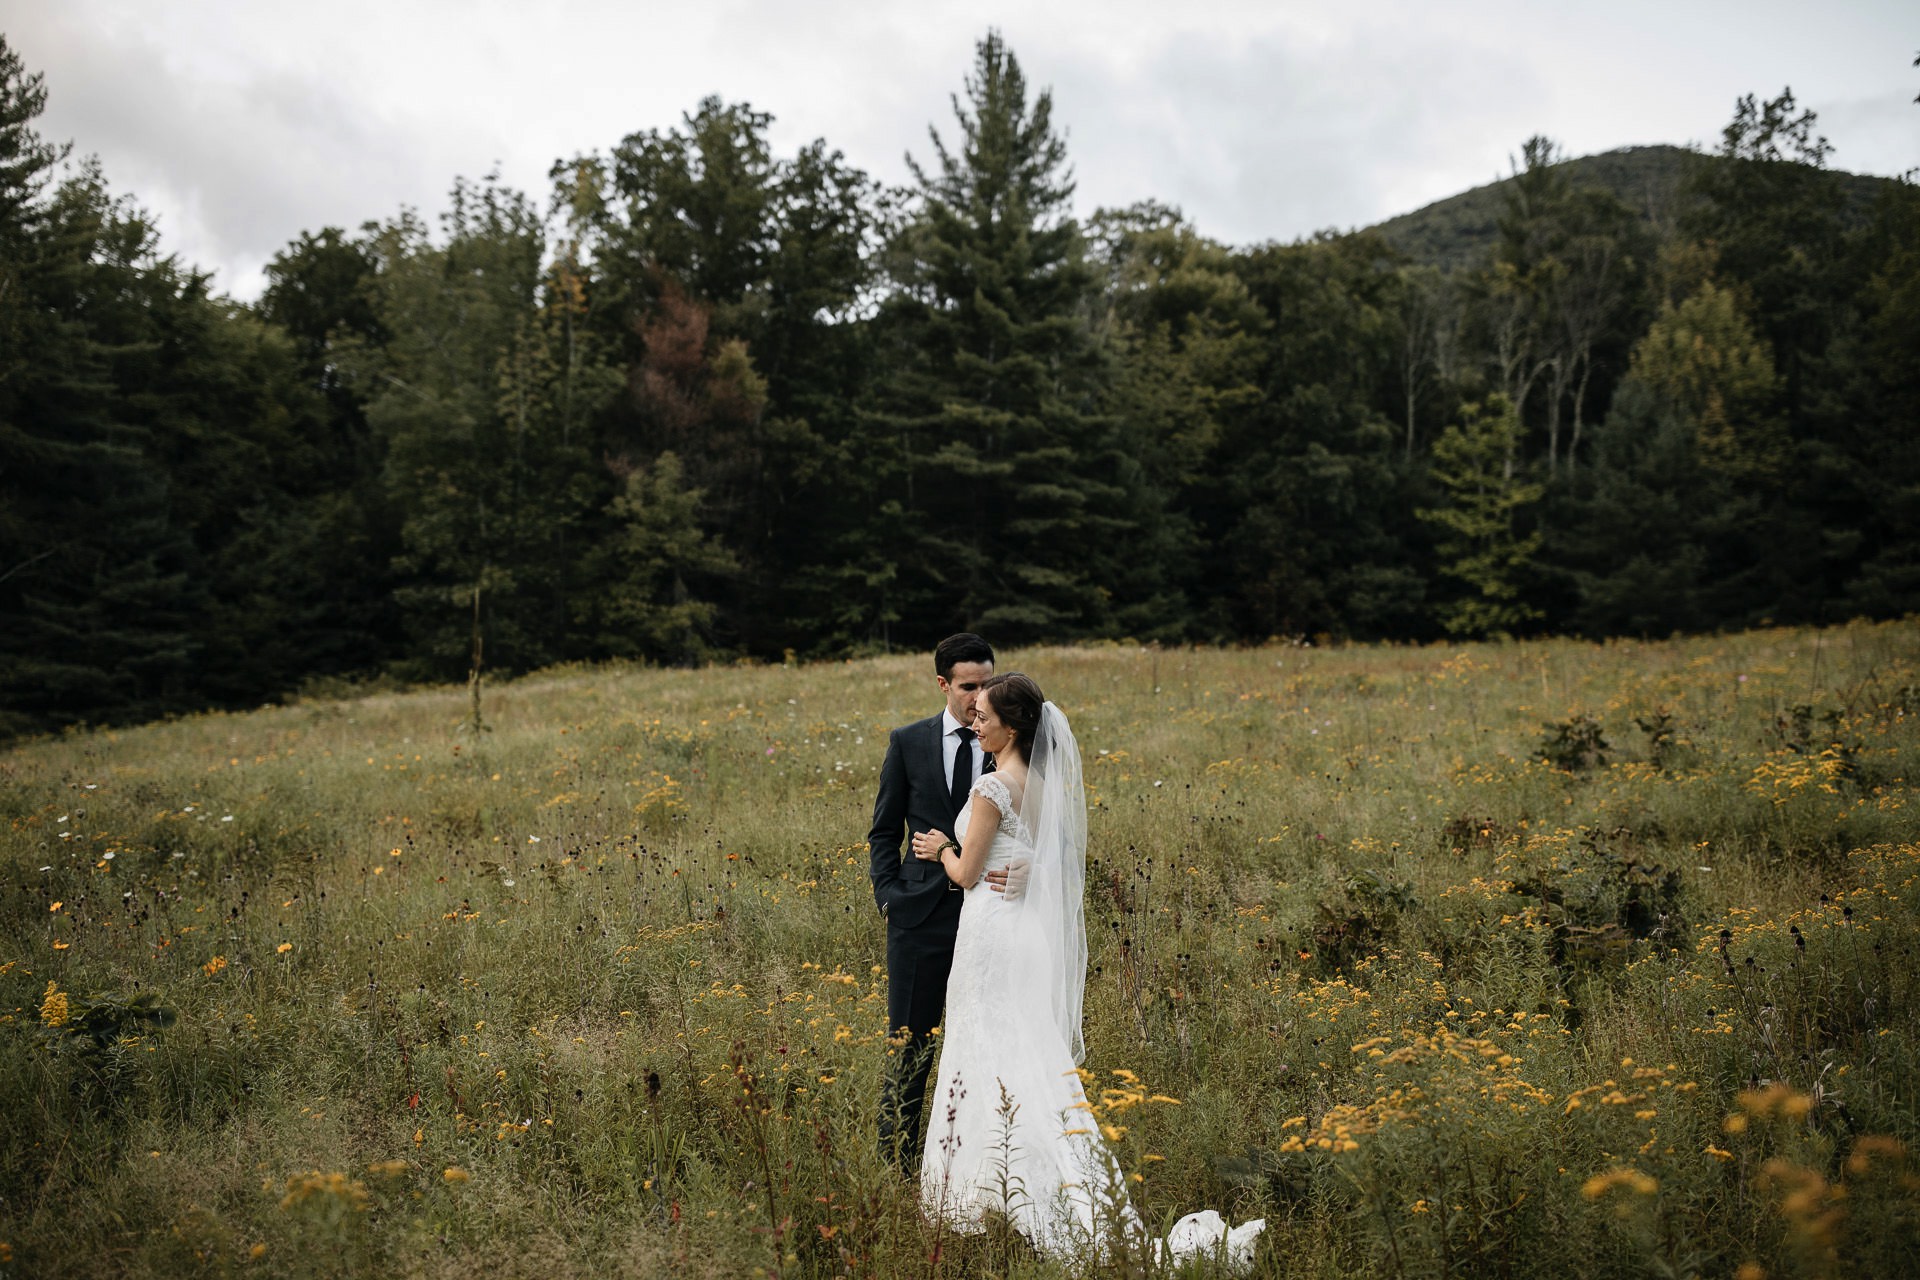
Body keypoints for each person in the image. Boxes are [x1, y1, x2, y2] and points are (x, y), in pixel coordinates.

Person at [910, 672, 1264, 1269]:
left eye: (985, 716)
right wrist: (1024, 869)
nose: (976, 721)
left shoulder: (993, 786)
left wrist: (940, 847)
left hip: (993, 934)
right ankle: (1027, 1181)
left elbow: (967, 874)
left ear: (1013, 725)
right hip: (1024, 935)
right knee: (1025, 1051)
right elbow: (1052, 863)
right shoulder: (1043, 787)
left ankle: (983, 1194)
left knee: (982, 1047)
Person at [867, 633, 1012, 1172]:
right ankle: (897, 1167)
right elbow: (883, 831)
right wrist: (889, 898)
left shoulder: (1010, 743)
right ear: (943, 685)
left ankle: (978, 1167)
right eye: (969, 686)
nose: (979, 698)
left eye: (987, 685)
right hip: (919, 917)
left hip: (991, 917)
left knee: (982, 1045)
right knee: (910, 1046)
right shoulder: (908, 742)